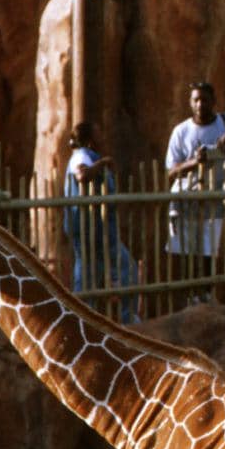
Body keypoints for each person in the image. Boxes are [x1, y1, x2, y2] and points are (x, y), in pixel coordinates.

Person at [165, 82, 225, 279]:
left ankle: (203, 296)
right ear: (190, 103)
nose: (200, 104)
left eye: (204, 99)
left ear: (214, 101)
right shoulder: (181, 131)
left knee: (208, 252)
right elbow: (171, 171)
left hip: (215, 200)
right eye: (196, 100)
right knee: (183, 252)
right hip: (185, 200)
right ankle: (188, 298)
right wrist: (194, 162)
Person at [64, 120, 138, 317]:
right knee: (127, 271)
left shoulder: (88, 156)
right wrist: (104, 163)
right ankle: (128, 320)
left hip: (96, 230)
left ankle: (84, 319)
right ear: (89, 140)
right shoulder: (82, 156)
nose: (102, 136)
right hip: (92, 230)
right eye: (98, 133)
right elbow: (82, 176)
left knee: (88, 277)